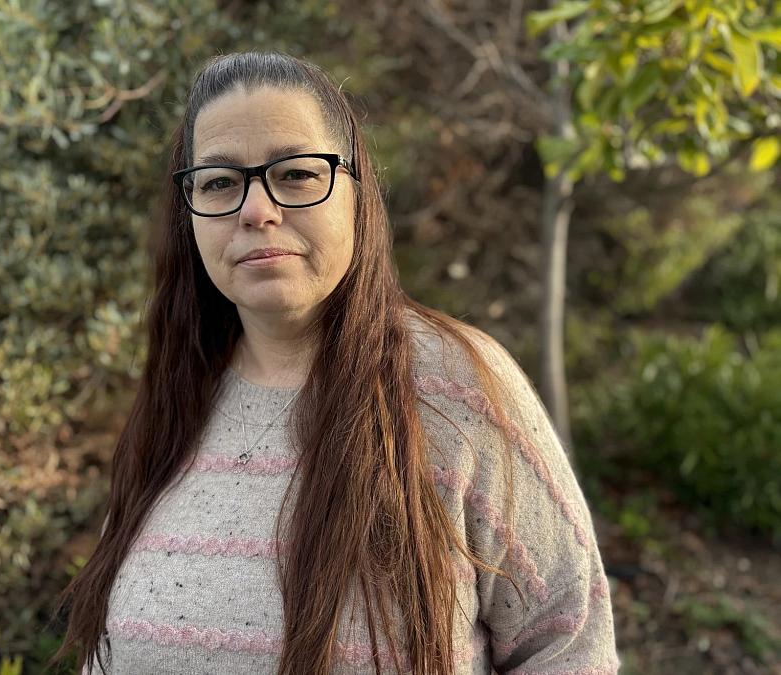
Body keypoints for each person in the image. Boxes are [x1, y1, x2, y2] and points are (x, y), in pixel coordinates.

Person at [50, 51, 620, 675]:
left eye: (295, 174)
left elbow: (567, 644)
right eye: (218, 182)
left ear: (355, 192)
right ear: (188, 213)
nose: (255, 210)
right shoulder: (178, 394)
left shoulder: (456, 387)